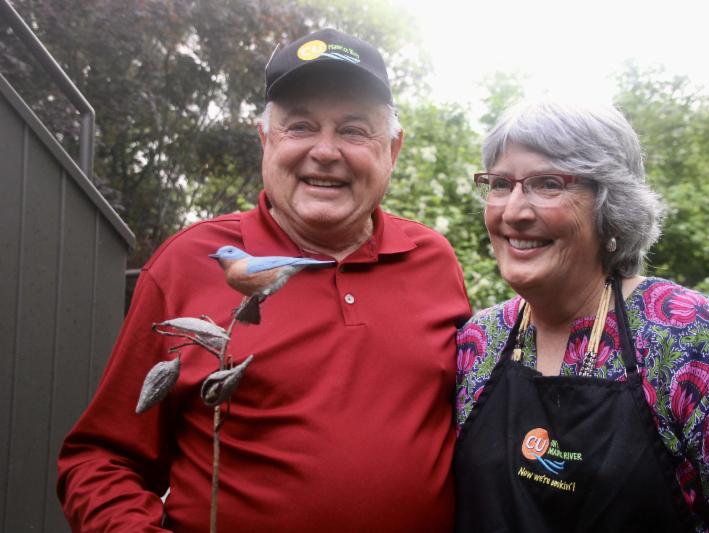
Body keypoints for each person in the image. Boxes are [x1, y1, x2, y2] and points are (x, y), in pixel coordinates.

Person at [58, 28, 471, 531]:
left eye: (354, 130)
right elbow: (102, 461)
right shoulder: (190, 262)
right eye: (300, 126)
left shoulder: (432, 260)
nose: (325, 151)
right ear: (265, 140)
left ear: (394, 149)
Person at [454, 100, 709, 531]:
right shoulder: (479, 341)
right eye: (502, 184)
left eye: (547, 184)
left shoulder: (687, 334)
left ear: (610, 206)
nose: (514, 212)